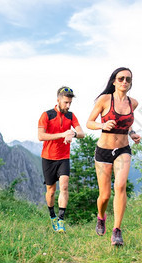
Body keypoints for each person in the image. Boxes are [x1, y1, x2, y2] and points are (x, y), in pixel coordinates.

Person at [86, 67, 141, 246]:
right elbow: (89, 123)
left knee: (120, 186)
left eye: (128, 79)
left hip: (123, 149)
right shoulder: (104, 100)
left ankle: (116, 230)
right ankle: (101, 216)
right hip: (103, 151)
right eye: (121, 78)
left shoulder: (133, 103)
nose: (124, 82)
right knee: (105, 195)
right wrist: (102, 125)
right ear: (114, 81)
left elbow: (128, 124)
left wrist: (132, 133)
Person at [38, 86, 85, 233]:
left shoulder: (71, 116)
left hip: (64, 158)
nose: (68, 105)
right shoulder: (46, 115)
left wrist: (72, 135)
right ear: (58, 100)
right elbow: (41, 136)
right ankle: (52, 215)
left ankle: (61, 221)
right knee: (51, 191)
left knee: (64, 187)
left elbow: (82, 133)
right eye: (66, 102)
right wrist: (62, 134)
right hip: (48, 158)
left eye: (70, 103)